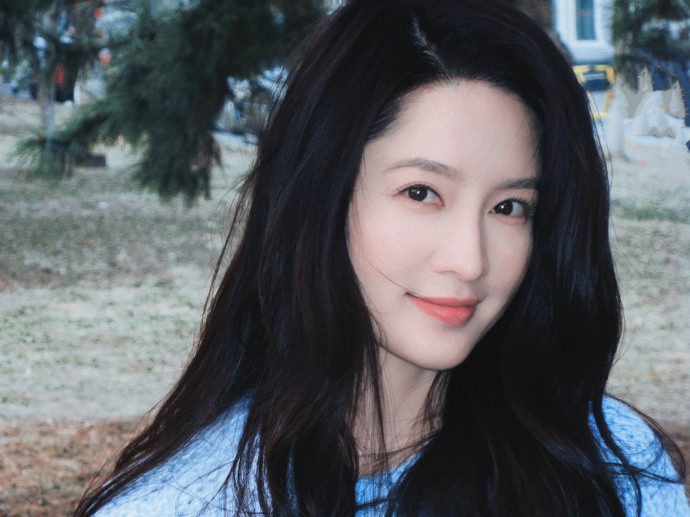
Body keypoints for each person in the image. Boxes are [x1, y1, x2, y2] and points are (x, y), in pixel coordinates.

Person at [76, 0, 689, 515]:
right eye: (421, 193)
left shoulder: (615, 470)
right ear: (322, 193)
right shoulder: (186, 503)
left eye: (509, 207)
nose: (469, 261)